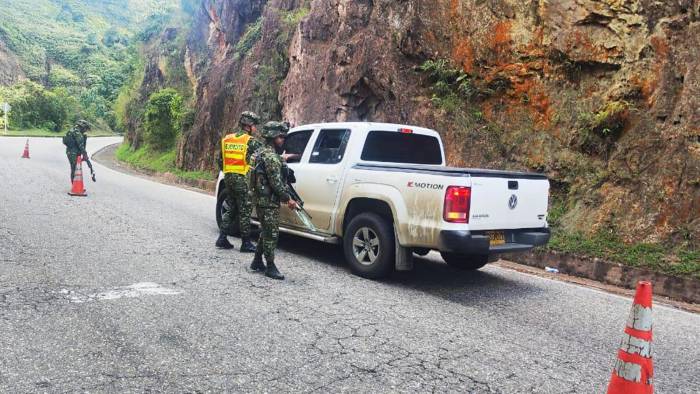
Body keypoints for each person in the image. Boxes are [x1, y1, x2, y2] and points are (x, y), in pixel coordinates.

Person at [250, 121, 300, 280]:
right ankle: (270, 266)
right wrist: (288, 199)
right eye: (280, 136)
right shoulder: (271, 157)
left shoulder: (260, 152)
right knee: (271, 233)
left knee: (265, 230)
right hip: (268, 201)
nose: (283, 139)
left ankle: (257, 261)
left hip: (260, 198)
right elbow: (276, 183)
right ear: (272, 137)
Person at [216, 111, 264, 252]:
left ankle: (222, 238)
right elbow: (265, 154)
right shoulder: (250, 141)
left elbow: (220, 160)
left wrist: (229, 172)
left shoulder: (227, 139)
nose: (256, 128)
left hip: (229, 178)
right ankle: (246, 243)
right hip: (242, 179)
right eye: (255, 125)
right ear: (249, 126)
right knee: (244, 211)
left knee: (232, 208)